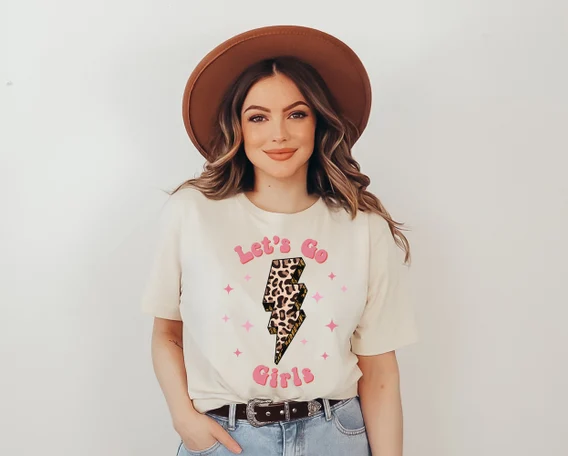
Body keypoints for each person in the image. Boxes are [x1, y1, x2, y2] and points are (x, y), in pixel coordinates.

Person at [141, 25, 419, 456]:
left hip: (336, 435)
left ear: (318, 123)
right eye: (258, 117)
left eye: (296, 114)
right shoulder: (192, 213)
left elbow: (380, 369)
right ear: (237, 127)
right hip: (225, 439)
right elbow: (167, 333)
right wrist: (184, 418)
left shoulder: (362, 226)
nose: (278, 134)